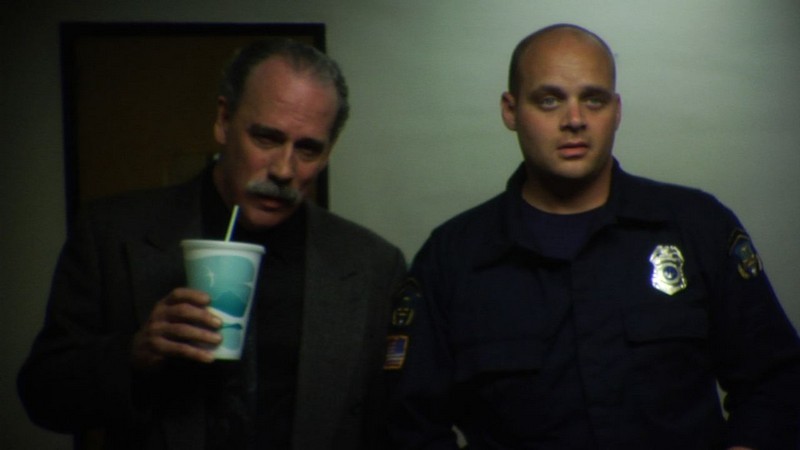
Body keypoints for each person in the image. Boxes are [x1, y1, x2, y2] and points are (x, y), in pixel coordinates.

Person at [387, 24, 800, 449]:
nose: (574, 120)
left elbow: (777, 381)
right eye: (549, 100)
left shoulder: (698, 227)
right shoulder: (453, 258)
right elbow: (410, 426)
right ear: (511, 111)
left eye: (594, 100)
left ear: (616, 111)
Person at [18, 38, 406, 450]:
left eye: (308, 149)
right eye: (267, 138)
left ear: (329, 152)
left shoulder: (373, 265)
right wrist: (133, 355)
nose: (283, 169)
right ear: (223, 120)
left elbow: (392, 422)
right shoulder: (114, 234)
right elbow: (44, 397)